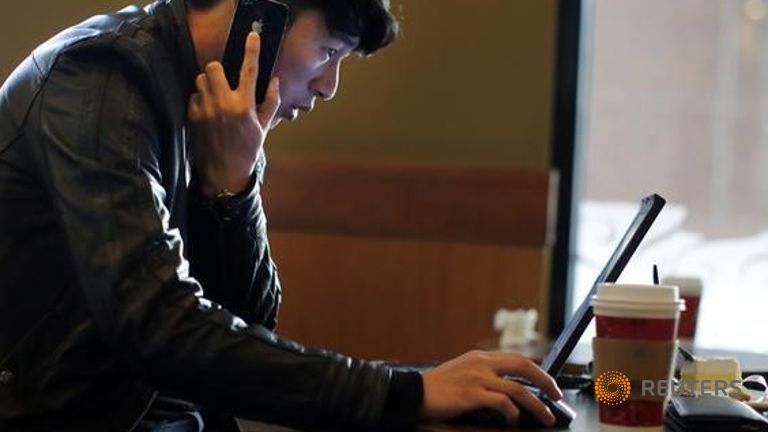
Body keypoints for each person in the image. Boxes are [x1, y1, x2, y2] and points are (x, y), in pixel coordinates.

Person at [0, 0, 564, 430]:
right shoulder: (99, 79)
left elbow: (248, 322)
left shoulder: (220, 116)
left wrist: (231, 188)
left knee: (595, 396)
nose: (329, 86)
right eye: (329, 51)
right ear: (259, 18)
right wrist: (405, 394)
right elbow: (157, 326)